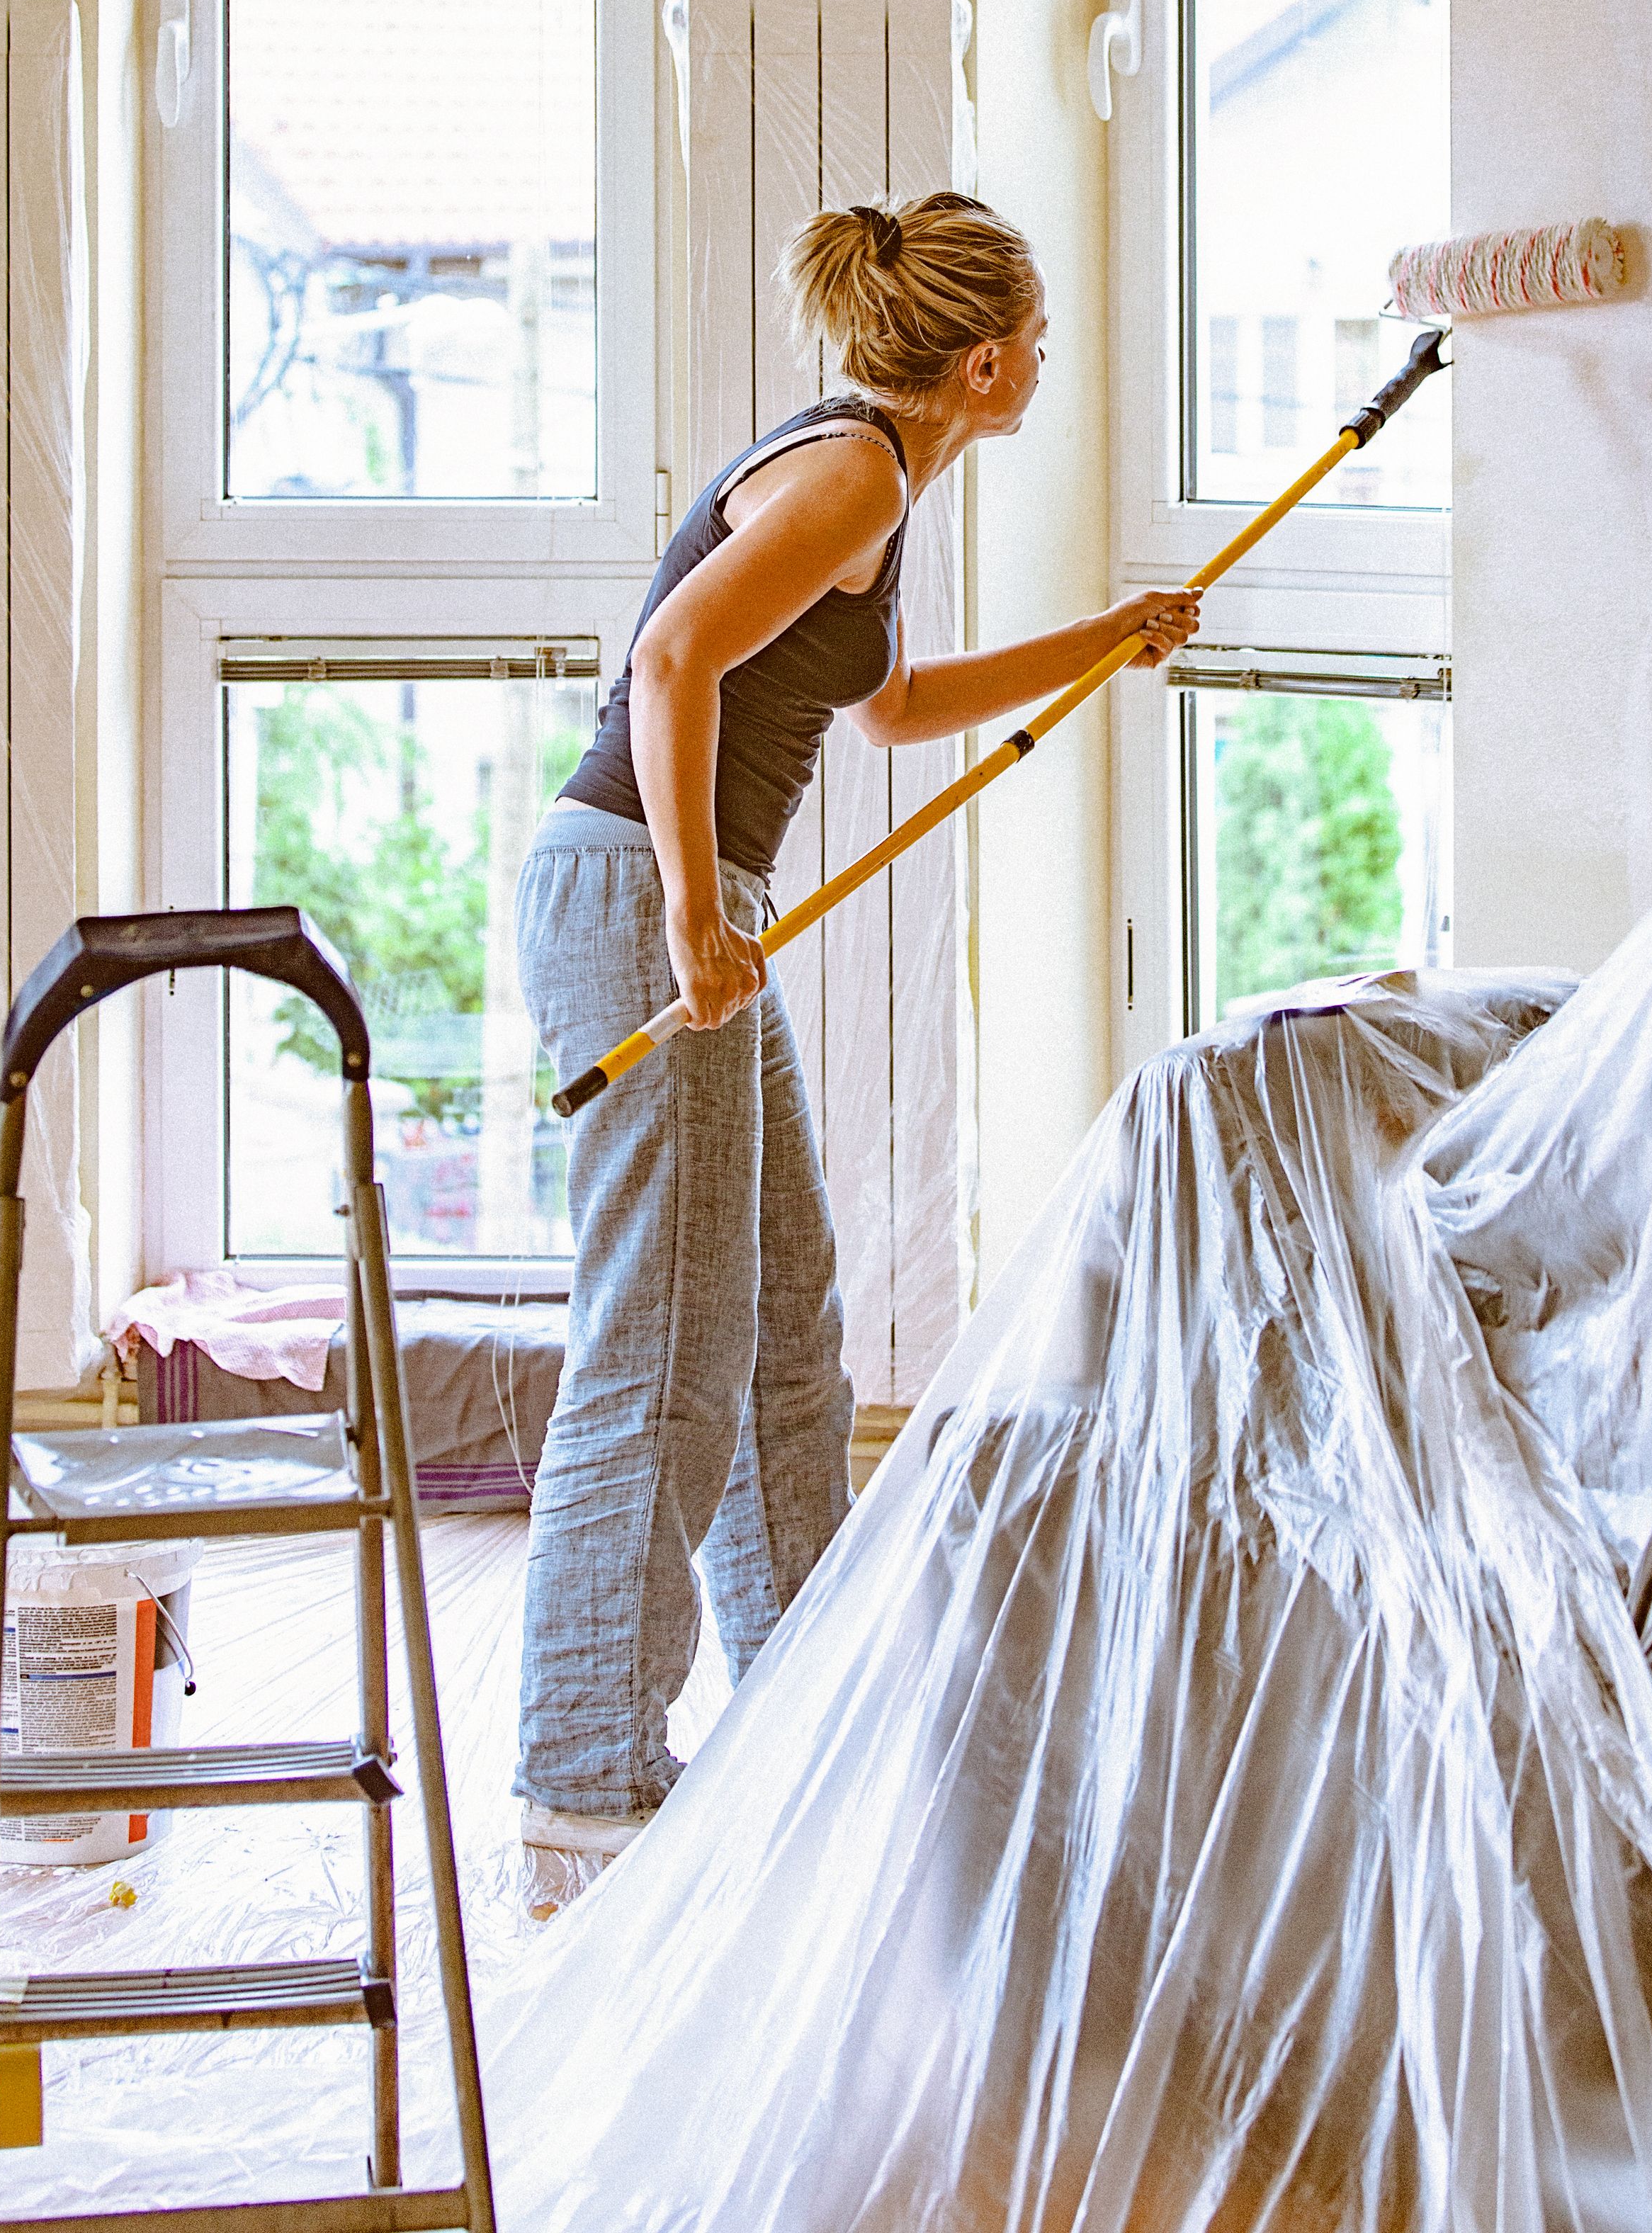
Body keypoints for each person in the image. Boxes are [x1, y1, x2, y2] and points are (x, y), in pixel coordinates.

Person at [511, 187, 1200, 1910]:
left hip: (687, 898)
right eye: (1035, 337)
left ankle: (800, 1696)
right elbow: (669, 663)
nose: (1044, 359)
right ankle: (583, 1784)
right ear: (984, 359)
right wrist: (689, 913)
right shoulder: (854, 476)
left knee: (783, 1316)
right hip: (639, 896)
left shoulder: (876, 483)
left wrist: (1105, 640)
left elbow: (882, 708)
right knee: (667, 1338)